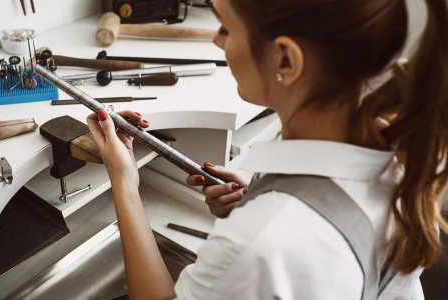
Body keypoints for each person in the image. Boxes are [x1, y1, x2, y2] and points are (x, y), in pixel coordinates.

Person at [86, 0, 448, 298]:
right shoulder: (405, 146)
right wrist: (264, 200)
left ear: (286, 60)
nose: (216, 40)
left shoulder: (262, 243)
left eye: (226, 27)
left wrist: (124, 180)